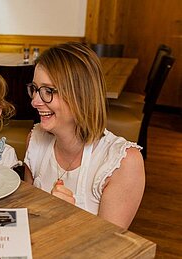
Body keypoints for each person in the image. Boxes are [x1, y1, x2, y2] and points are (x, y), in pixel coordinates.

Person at [24, 42, 145, 229]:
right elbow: (28, 216)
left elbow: (108, 248)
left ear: (80, 95)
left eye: (48, 91)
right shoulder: (35, 140)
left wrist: (68, 218)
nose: (35, 101)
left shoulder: (123, 163)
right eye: (35, 89)